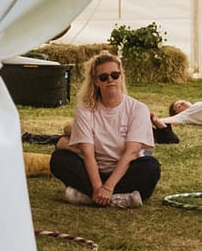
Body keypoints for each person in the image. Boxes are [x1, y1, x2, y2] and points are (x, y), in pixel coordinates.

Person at [52, 52, 160, 207]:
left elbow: (131, 153)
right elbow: (87, 153)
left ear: (121, 77)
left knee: (151, 167)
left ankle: (88, 197)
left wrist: (108, 187)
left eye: (115, 75)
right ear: (96, 81)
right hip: (94, 170)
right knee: (59, 159)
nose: (110, 80)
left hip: (125, 170)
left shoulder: (138, 108)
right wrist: (98, 187)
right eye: (104, 77)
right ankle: (118, 199)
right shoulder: (85, 108)